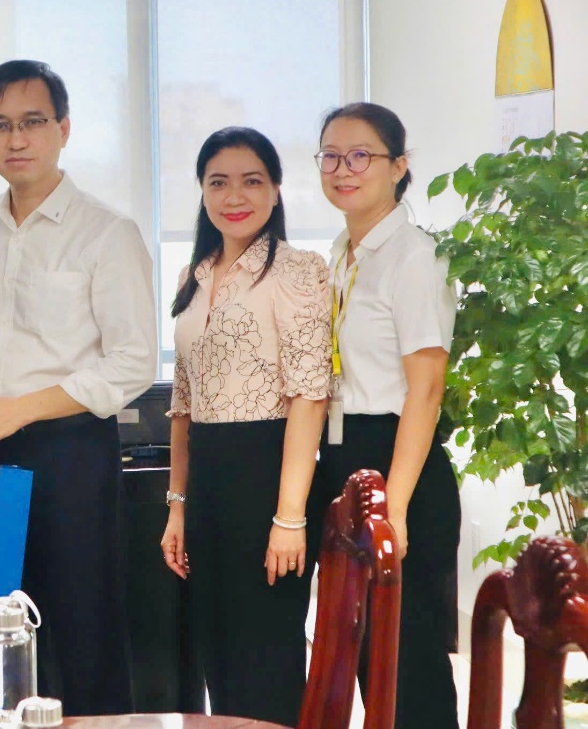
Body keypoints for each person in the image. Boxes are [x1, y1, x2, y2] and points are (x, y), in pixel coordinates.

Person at [0, 60, 157, 715]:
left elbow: (132, 362)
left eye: (32, 121)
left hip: (69, 451)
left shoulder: (107, 232)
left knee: (81, 632)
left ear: (63, 129)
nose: (16, 138)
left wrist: (20, 410)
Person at [157, 127, 330, 727]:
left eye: (252, 181)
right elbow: (183, 403)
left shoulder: (299, 270)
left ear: (276, 190)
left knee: (267, 655)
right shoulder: (194, 274)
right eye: (218, 182)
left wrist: (290, 517)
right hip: (206, 482)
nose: (235, 196)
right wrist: (177, 507)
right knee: (217, 652)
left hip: (268, 478)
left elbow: (310, 398)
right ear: (202, 192)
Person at [307, 102, 460, 729]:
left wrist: (392, 510)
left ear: (398, 166)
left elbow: (426, 390)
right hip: (346, 457)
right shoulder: (343, 253)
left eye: (360, 156)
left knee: (410, 657)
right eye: (331, 156)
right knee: (367, 655)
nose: (343, 169)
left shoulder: (413, 256)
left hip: (400, 465)